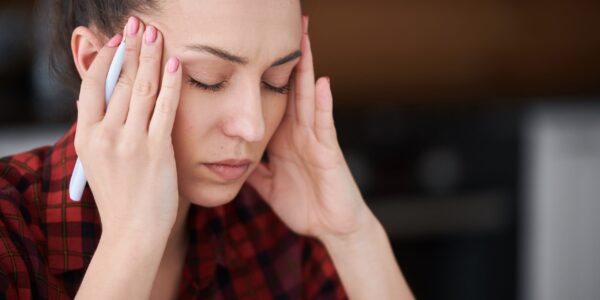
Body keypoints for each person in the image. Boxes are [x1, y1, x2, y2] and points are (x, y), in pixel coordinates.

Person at [0, 0, 414, 299]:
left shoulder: (274, 229)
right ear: (96, 64)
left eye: (276, 80)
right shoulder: (10, 234)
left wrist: (353, 235)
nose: (252, 127)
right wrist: (132, 243)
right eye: (207, 79)